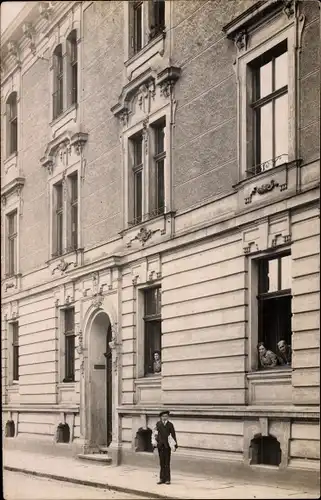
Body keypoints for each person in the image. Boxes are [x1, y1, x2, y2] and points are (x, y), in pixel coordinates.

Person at [152, 410, 177, 485]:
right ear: (161, 417)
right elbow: (155, 434)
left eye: (166, 416)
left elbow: (173, 435)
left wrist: (174, 445)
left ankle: (167, 479)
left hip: (167, 446)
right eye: (163, 416)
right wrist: (155, 442)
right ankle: (161, 478)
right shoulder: (158, 424)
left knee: (167, 463)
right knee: (161, 463)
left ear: (168, 417)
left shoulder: (170, 425)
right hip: (160, 446)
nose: (164, 417)